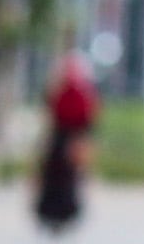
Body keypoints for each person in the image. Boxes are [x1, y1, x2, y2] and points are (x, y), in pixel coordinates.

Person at [36, 48, 98, 233]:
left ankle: (60, 215)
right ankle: (57, 215)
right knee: (63, 179)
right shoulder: (77, 91)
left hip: (66, 138)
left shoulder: (75, 92)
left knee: (64, 180)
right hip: (66, 137)